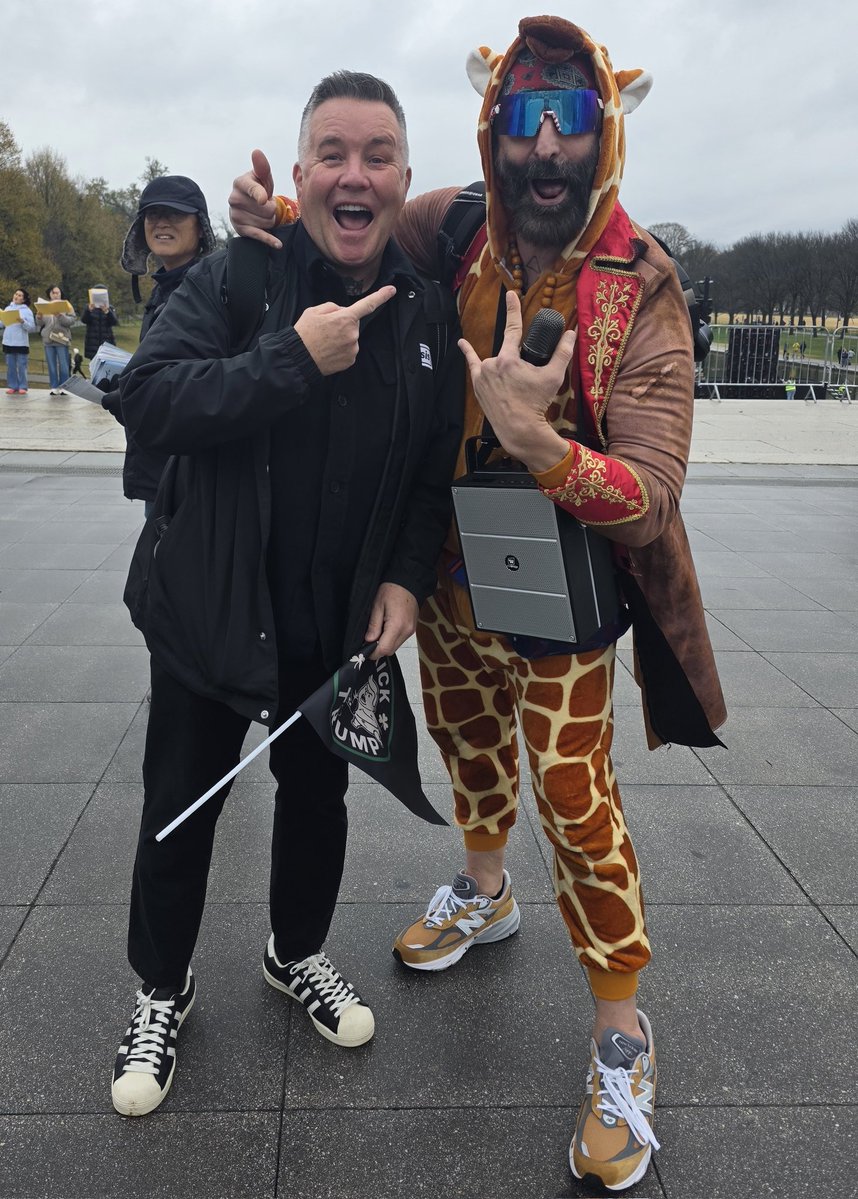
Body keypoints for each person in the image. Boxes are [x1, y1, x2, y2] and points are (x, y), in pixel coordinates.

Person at [229, 15, 726, 1193]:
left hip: (564, 590)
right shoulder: (451, 225)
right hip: (444, 569)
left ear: (606, 130)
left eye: (570, 122)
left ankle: (621, 1030)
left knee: (573, 788)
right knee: (465, 743)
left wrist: (535, 440)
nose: (544, 150)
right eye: (522, 120)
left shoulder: (640, 282)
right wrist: (267, 220)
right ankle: (486, 891)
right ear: (493, 128)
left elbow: (651, 499)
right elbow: (345, 216)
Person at [110, 70, 463, 1121]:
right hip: (213, 603)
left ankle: (294, 949)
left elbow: (429, 470)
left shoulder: (426, 311)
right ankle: (162, 986)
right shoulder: (241, 279)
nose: (355, 175)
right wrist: (289, 360)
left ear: (403, 178)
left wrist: (404, 573)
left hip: (335, 619)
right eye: (334, 154)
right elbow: (150, 402)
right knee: (181, 805)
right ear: (301, 171)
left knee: (320, 798)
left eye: (379, 155)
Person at [101, 175, 217, 515]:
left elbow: (213, 383)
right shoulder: (164, 289)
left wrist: (138, 399)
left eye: (176, 214)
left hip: (191, 473)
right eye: (153, 215)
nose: (162, 223)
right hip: (163, 465)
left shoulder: (211, 292)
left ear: (201, 227)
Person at [35, 285, 76, 394]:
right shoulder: (45, 305)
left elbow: (71, 321)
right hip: (48, 339)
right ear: (49, 294)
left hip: (61, 339)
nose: (56, 294)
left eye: (58, 292)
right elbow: (40, 324)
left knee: (63, 365)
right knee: (51, 365)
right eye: (53, 293)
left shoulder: (66, 305)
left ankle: (65, 387)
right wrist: (38, 317)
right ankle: (54, 386)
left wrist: (60, 316)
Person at [3, 287, 36, 394]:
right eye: (16, 294)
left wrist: (22, 322)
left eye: (20, 295)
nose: (16, 296)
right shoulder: (7, 309)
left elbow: (32, 328)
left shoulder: (27, 311)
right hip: (8, 341)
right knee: (10, 366)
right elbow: (2, 324)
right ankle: (13, 385)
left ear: (24, 299)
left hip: (21, 342)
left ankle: (23, 386)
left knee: (22, 366)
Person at [81, 287, 117, 360]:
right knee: (94, 366)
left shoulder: (109, 308)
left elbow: (114, 322)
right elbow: (84, 320)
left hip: (107, 341)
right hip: (92, 342)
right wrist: (89, 310)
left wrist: (107, 312)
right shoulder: (89, 307)